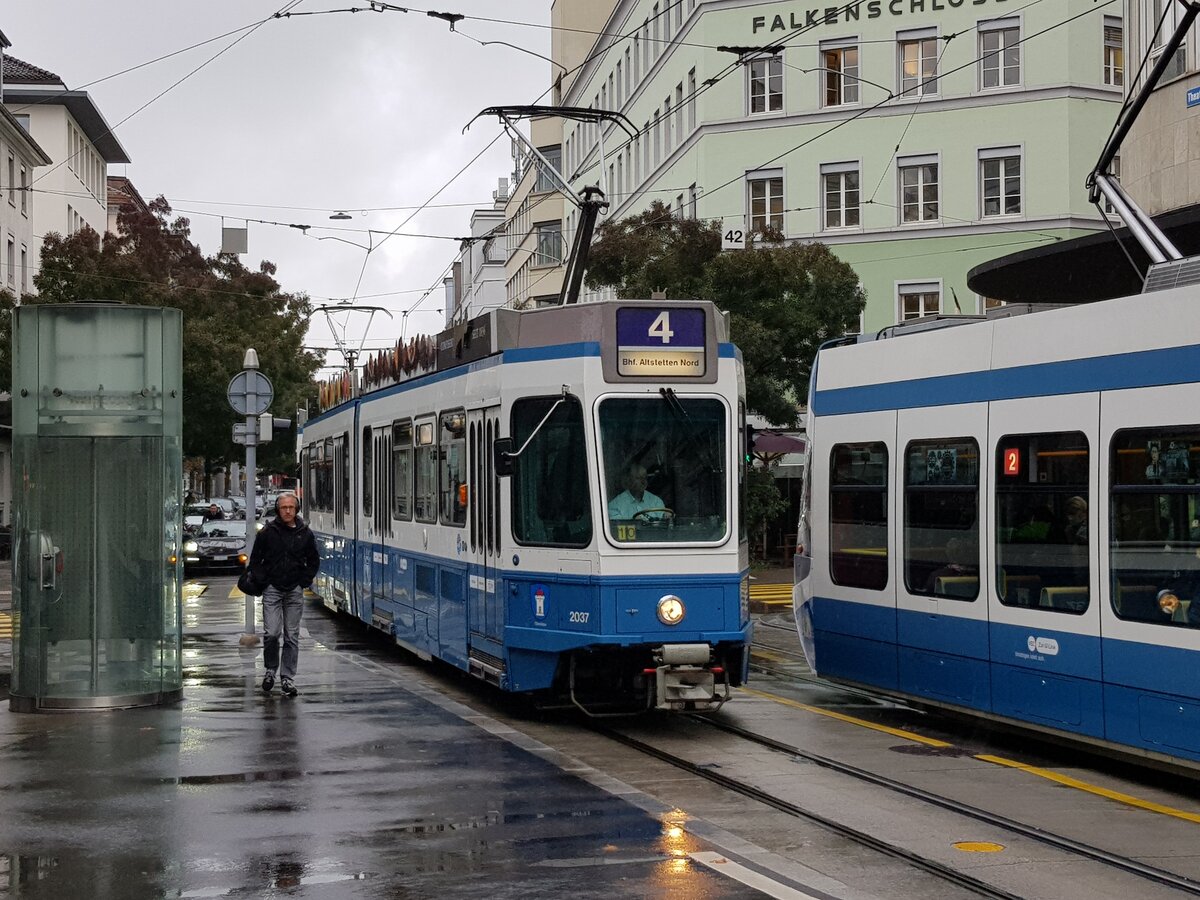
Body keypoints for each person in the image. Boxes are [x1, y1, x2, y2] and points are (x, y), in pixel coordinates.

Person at [249, 493, 320, 697]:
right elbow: (255, 561)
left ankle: (287, 677)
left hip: (294, 590)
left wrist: (303, 581)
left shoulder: (305, 533)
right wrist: (264, 581)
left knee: (292, 635)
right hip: (272, 589)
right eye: (283, 507)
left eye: (291, 507)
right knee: (271, 633)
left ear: (296, 509)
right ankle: (270, 670)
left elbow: (313, 560)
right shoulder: (267, 533)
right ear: (278, 510)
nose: (287, 511)